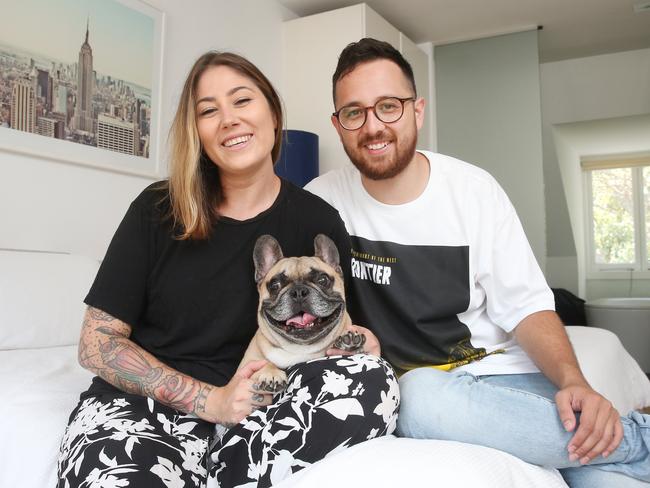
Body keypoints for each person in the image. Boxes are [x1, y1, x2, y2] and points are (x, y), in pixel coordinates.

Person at [305, 37, 650, 487]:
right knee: (416, 394)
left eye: (388, 105)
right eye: (355, 112)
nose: (373, 126)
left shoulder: (472, 190)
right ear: (338, 124)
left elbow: (527, 306)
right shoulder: (321, 203)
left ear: (417, 110)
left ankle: (634, 441)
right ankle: (636, 444)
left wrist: (574, 381)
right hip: (419, 393)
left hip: (502, 377)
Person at [56, 51, 399, 488]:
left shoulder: (319, 220)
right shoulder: (157, 210)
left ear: (273, 112)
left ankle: (227, 472)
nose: (229, 119)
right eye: (208, 110)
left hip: (265, 411)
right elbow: (96, 344)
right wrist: (211, 403)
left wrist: (361, 342)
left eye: (242, 101)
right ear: (196, 131)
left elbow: (348, 323)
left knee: (375, 383)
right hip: (146, 411)